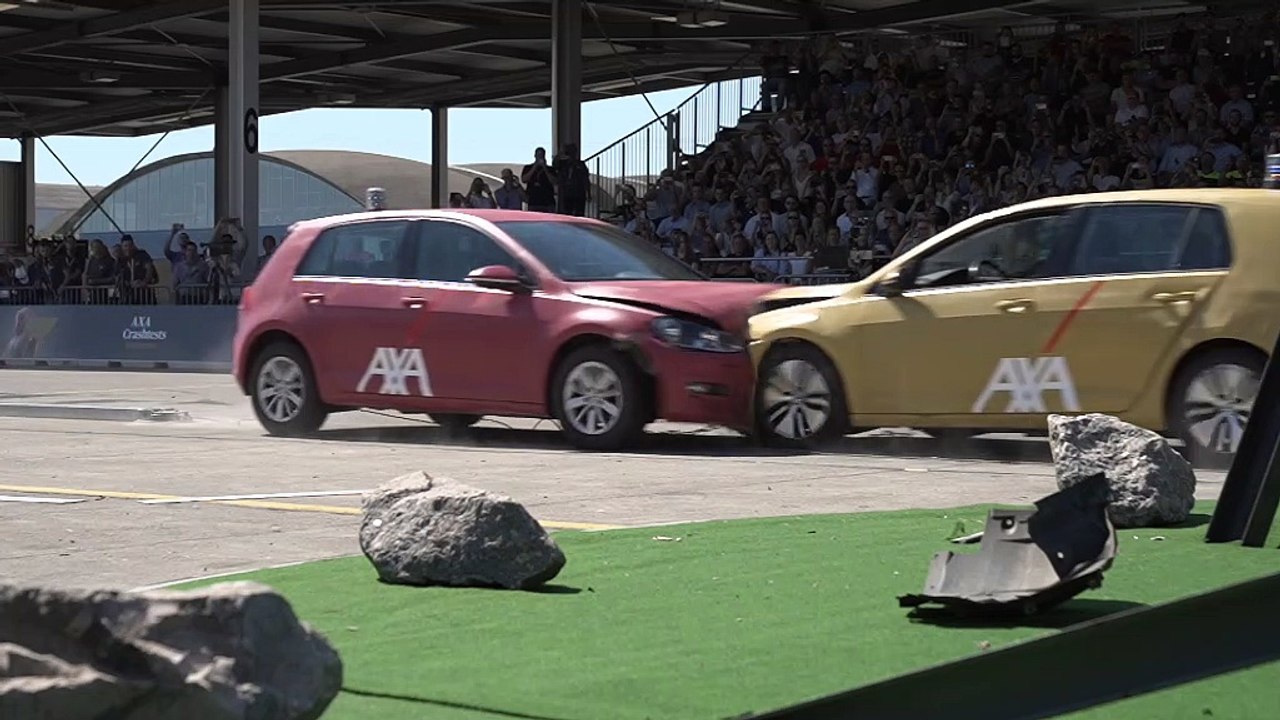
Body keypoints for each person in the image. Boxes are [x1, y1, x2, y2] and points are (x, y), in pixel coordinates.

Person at [521, 147, 557, 212]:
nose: (540, 157)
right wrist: (534, 167)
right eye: (538, 155)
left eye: (541, 155)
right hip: (533, 201)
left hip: (548, 202)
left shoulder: (551, 169)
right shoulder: (528, 167)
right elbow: (524, 179)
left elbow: (554, 181)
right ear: (535, 156)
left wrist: (545, 168)